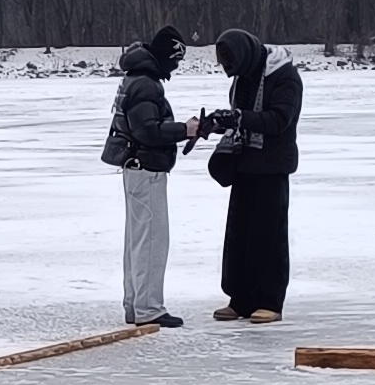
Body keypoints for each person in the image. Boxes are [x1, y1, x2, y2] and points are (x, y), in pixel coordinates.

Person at [198, 27, 303, 323]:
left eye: (231, 66)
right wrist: (220, 123)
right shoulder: (245, 76)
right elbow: (240, 115)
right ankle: (240, 298)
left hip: (271, 167)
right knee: (239, 236)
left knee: (268, 236)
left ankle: (269, 300)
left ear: (244, 56)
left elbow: (280, 120)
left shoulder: (284, 77)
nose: (230, 73)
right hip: (244, 162)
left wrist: (241, 118)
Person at [100, 26, 193, 327]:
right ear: (168, 56)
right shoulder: (146, 84)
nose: (176, 67)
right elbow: (148, 131)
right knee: (151, 240)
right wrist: (185, 130)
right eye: (176, 60)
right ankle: (148, 307)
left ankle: (135, 304)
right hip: (146, 169)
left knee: (137, 240)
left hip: (135, 168)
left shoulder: (136, 78)